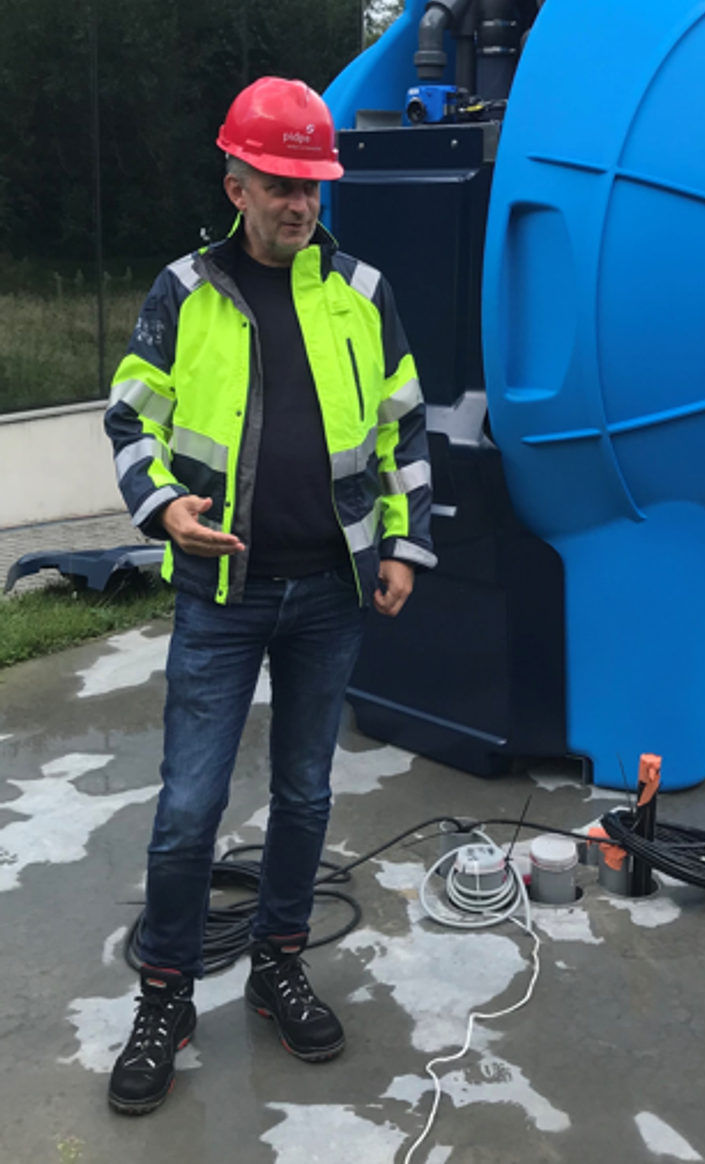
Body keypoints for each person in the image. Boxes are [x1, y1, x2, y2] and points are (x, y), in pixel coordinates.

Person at [103, 76, 435, 1114]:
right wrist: (161, 510)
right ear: (236, 181)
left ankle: (276, 964)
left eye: (313, 185)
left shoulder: (362, 294)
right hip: (221, 592)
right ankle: (165, 992)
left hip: (329, 592)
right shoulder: (185, 293)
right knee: (188, 808)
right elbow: (128, 420)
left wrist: (403, 542)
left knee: (304, 796)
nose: (300, 203)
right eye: (281, 182)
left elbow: (403, 430)